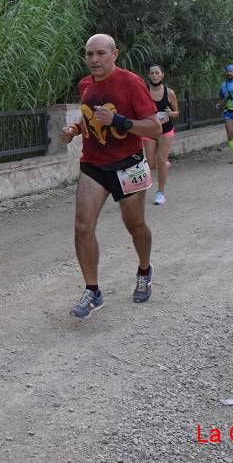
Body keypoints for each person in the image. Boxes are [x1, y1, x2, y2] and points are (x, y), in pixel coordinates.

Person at [58, 34, 162, 318]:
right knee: (82, 227)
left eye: (101, 53)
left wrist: (118, 121)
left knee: (135, 226)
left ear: (115, 54)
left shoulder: (131, 83)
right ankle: (93, 291)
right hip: (93, 166)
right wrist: (76, 130)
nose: (94, 60)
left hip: (128, 166)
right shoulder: (86, 86)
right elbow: (90, 117)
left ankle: (144, 270)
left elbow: (154, 128)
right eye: (89, 54)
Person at [142, 63, 178, 205]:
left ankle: (160, 193)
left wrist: (170, 113)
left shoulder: (169, 93)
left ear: (162, 75)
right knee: (151, 163)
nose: (155, 75)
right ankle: (165, 165)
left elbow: (177, 112)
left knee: (161, 160)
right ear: (149, 76)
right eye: (152, 73)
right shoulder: (143, 91)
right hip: (149, 130)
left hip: (166, 129)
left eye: (157, 73)